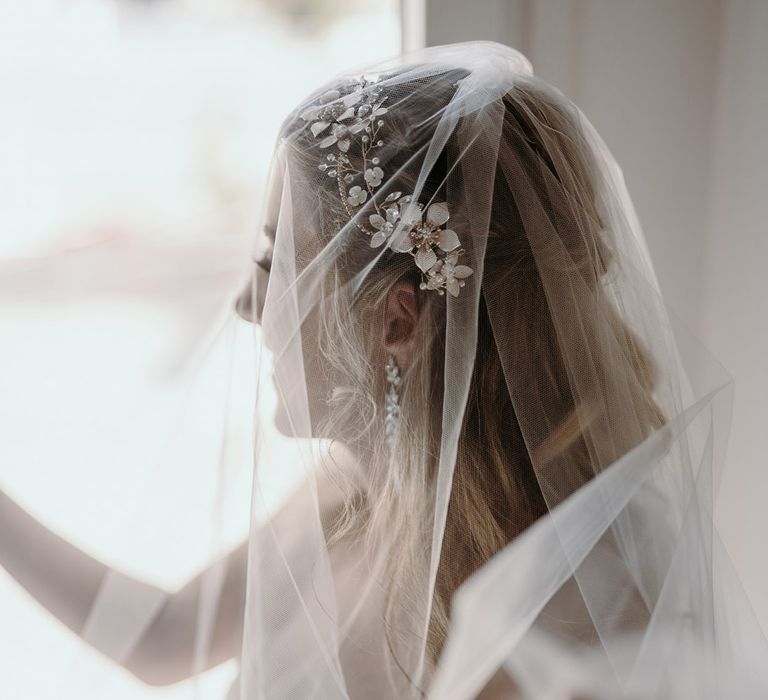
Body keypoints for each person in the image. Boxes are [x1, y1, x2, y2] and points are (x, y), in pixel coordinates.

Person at [1, 41, 766, 700]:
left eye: (278, 263)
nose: (244, 304)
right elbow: (164, 638)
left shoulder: (581, 611)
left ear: (396, 322)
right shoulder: (348, 495)